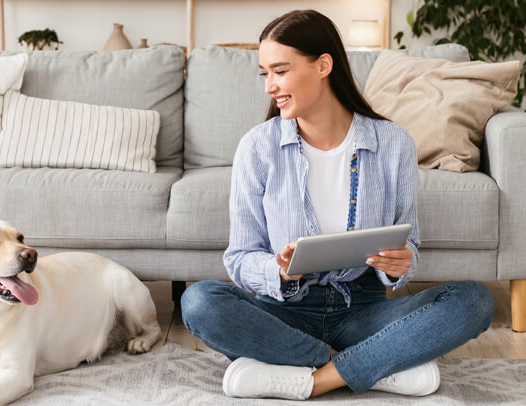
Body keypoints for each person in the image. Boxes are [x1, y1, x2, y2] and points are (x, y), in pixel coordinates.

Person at [180, 9, 495, 401]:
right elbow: (241, 258)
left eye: (280, 71)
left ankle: (314, 377)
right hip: (284, 311)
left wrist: (400, 263)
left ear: (323, 65)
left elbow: (408, 243)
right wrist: (276, 270)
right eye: (265, 74)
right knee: (198, 301)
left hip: (363, 311)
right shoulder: (257, 147)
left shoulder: (392, 142)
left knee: (473, 300)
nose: (269, 86)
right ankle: (371, 367)